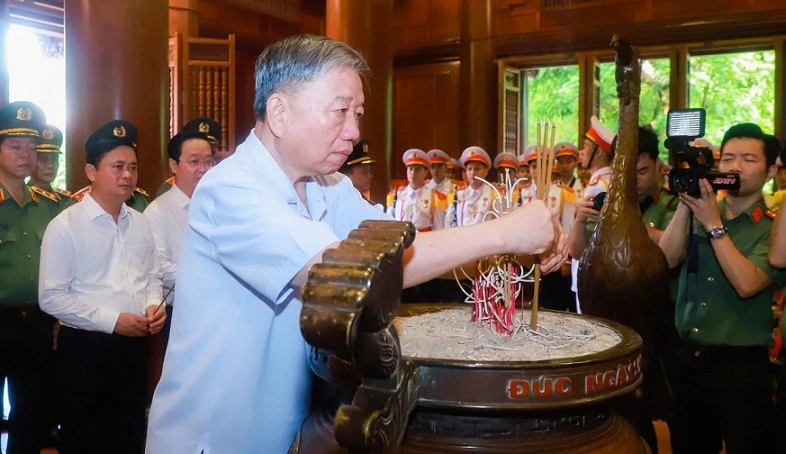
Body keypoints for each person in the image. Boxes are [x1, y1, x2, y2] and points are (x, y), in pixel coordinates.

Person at [145, 34, 565, 454]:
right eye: (340, 110)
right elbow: (346, 272)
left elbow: (403, 245)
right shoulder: (231, 188)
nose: (354, 131)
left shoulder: (330, 187)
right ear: (279, 112)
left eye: (358, 113)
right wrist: (505, 232)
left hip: (294, 428)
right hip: (217, 437)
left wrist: (511, 243)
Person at [39, 119, 167, 454]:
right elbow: (51, 297)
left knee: (129, 432)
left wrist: (154, 305)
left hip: (135, 345)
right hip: (86, 348)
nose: (127, 175)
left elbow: (152, 275)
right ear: (91, 171)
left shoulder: (140, 222)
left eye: (133, 167)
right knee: (87, 436)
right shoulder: (64, 226)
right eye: (117, 167)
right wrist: (113, 320)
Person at [660, 123, 783, 453]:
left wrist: (714, 225)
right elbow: (667, 260)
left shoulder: (774, 229)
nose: (735, 167)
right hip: (687, 361)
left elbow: (747, 284)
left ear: (771, 170)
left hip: (741, 369)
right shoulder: (700, 210)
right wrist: (688, 205)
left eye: (748, 158)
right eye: (727, 158)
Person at [0, 100, 58, 453]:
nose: (26, 154)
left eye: (32, 147)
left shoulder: (49, 205)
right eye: (14, 146)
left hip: (36, 324)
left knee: (33, 415)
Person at [145, 123, 214, 348]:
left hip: (217, 310)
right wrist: (210, 278)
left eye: (208, 161)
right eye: (194, 162)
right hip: (179, 315)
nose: (203, 169)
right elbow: (160, 268)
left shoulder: (220, 207)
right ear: (173, 165)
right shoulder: (157, 211)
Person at [568, 116, 615, 313]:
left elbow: (584, 243)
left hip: (590, 271)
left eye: (586, 146)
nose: (582, 151)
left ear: (599, 152)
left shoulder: (599, 187)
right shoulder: (605, 181)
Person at [156, 116, 222, 197]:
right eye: (194, 161)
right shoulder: (168, 188)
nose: (204, 149)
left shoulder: (224, 180)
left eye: (212, 146)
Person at [444, 146, 497, 227]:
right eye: (469, 169)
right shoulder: (458, 195)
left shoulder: (494, 195)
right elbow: (448, 224)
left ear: (486, 172)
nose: (472, 173)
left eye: (477, 169)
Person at [387, 148, 439, 231]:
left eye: (417, 169)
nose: (413, 173)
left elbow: (439, 227)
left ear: (426, 172)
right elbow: (389, 223)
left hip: (426, 240)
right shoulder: (397, 195)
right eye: (410, 169)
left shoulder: (434, 196)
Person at [28, 124, 71, 212]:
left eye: (55, 159)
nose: (50, 165)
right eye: (43, 159)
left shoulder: (66, 201)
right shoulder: (23, 200)